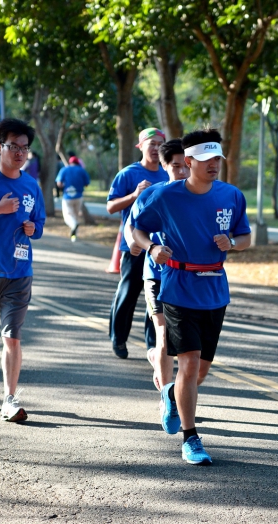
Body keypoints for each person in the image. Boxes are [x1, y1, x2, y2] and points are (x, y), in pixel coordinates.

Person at [133, 128, 251, 465]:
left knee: (199, 372)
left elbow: (245, 237)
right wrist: (151, 247)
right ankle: (191, 438)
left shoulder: (231, 195)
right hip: (178, 287)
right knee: (188, 362)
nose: (213, 164)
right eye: (206, 159)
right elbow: (136, 229)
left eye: (217, 158)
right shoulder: (165, 196)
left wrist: (233, 243)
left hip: (215, 289)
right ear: (188, 161)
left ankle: (172, 393)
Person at [0, 118, 46, 422]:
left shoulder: (31, 184)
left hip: (20, 271)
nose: (20, 153)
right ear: (0, 147)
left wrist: (33, 229)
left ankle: (9, 399)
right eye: (13, 146)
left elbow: (39, 224)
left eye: (24, 148)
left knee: (12, 337)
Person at [124, 139, 190, 390]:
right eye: (176, 166)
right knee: (163, 333)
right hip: (157, 275)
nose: (182, 172)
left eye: (186, 166)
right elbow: (132, 225)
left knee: (182, 340)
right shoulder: (153, 194)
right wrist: (135, 243)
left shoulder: (200, 196)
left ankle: (158, 362)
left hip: (188, 278)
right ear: (164, 167)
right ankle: (167, 397)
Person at [107, 127, 169, 359]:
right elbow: (111, 207)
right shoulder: (128, 174)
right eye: (152, 144)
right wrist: (134, 195)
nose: (156, 148)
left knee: (157, 296)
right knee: (129, 293)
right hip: (133, 245)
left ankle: (153, 345)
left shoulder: (168, 173)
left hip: (159, 246)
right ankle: (119, 338)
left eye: (160, 144)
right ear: (140, 146)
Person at [56, 156, 90, 241]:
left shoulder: (64, 169)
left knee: (68, 216)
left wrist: (63, 186)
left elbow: (59, 183)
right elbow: (87, 183)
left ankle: (74, 226)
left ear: (70, 162)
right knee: (75, 216)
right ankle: (74, 236)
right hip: (78, 196)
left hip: (67, 196)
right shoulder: (82, 170)